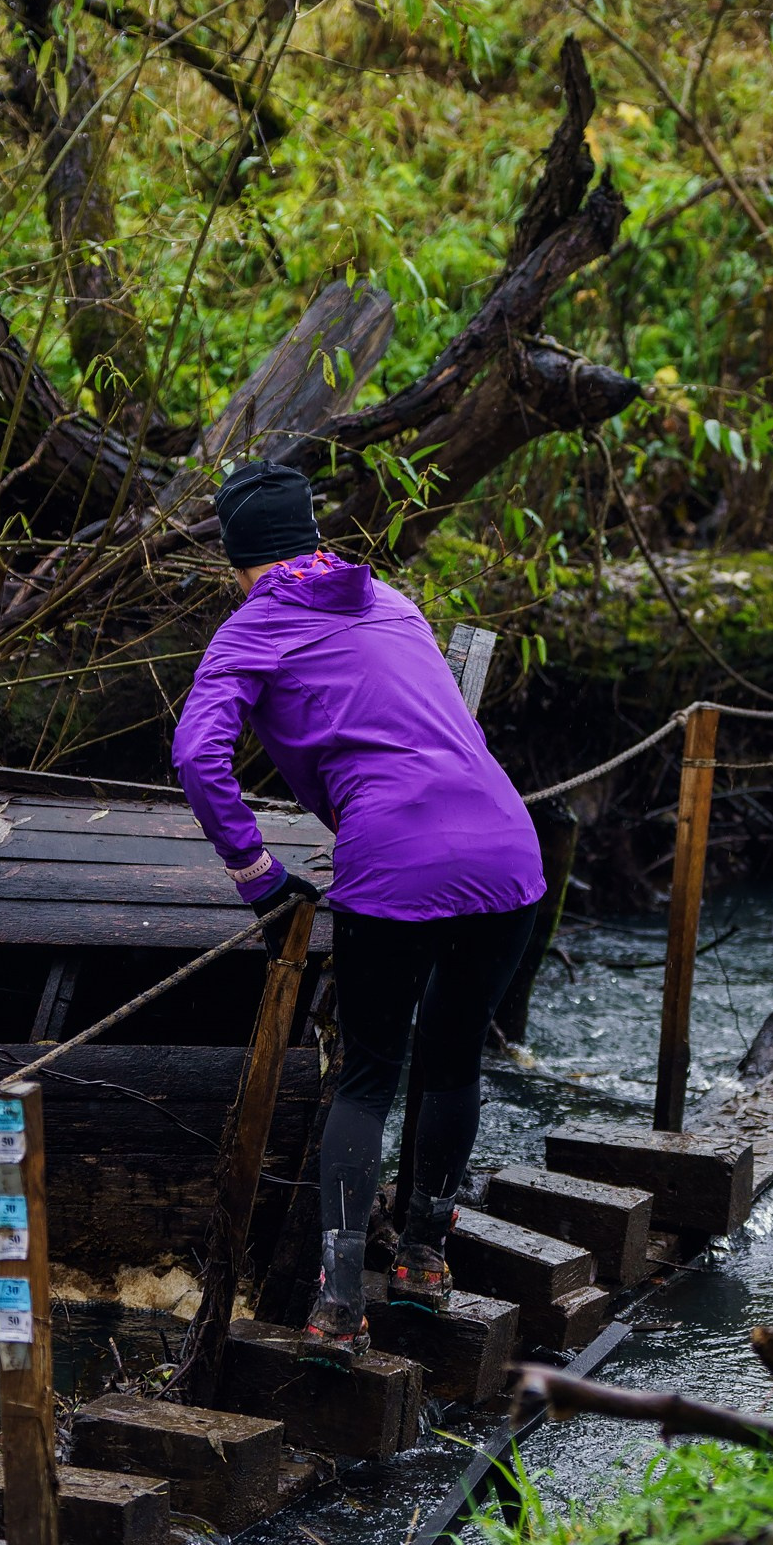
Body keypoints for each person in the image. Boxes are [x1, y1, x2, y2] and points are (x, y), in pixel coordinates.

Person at [172, 459, 543, 1352]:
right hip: (507, 848)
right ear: (312, 537)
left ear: (238, 560)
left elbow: (195, 755)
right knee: (452, 1062)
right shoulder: (397, 604)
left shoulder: (251, 627)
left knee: (369, 1074)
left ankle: (339, 1305)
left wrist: (258, 875)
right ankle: (420, 1260)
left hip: (394, 862)